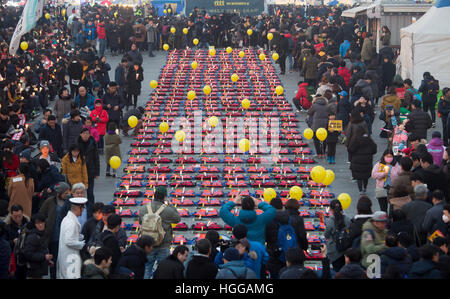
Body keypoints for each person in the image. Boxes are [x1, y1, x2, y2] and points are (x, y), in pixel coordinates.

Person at [139, 186, 181, 279]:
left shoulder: (143, 208)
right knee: (163, 269)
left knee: (147, 267)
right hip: (163, 243)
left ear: (154, 195)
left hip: (147, 244)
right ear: (164, 197)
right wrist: (170, 205)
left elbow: (140, 222)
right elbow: (178, 219)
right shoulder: (167, 210)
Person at [57, 197, 87, 279]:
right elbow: (68, 241)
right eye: (83, 208)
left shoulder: (68, 219)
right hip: (70, 259)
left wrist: (79, 237)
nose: (84, 210)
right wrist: (82, 244)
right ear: (78, 208)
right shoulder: (71, 222)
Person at [22, 213, 53, 279]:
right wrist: (44, 257)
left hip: (38, 271)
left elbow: (39, 251)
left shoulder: (40, 234)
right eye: (38, 223)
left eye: (42, 222)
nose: (41, 225)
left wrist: (47, 261)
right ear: (34, 224)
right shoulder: (32, 237)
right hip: (33, 273)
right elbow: (28, 254)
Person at [324, 199, 352, 272]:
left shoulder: (329, 221)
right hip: (345, 249)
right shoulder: (348, 219)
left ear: (331, 209)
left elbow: (326, 235)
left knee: (337, 271)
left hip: (334, 251)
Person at [77, 128, 100, 211]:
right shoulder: (77, 143)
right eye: (84, 133)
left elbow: (96, 158)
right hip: (79, 172)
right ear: (80, 134)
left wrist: (97, 172)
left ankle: (91, 209)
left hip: (90, 170)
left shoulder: (93, 143)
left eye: (87, 133)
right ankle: (80, 208)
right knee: (79, 192)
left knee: (90, 192)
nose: (85, 135)